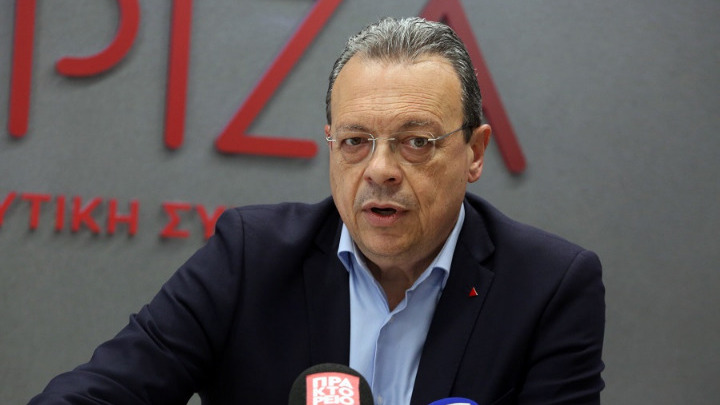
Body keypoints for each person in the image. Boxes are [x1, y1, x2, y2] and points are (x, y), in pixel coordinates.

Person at [29, 17, 605, 405]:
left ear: (474, 152)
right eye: (355, 142)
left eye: (416, 142)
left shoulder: (548, 287)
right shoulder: (249, 257)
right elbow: (100, 391)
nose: (380, 170)